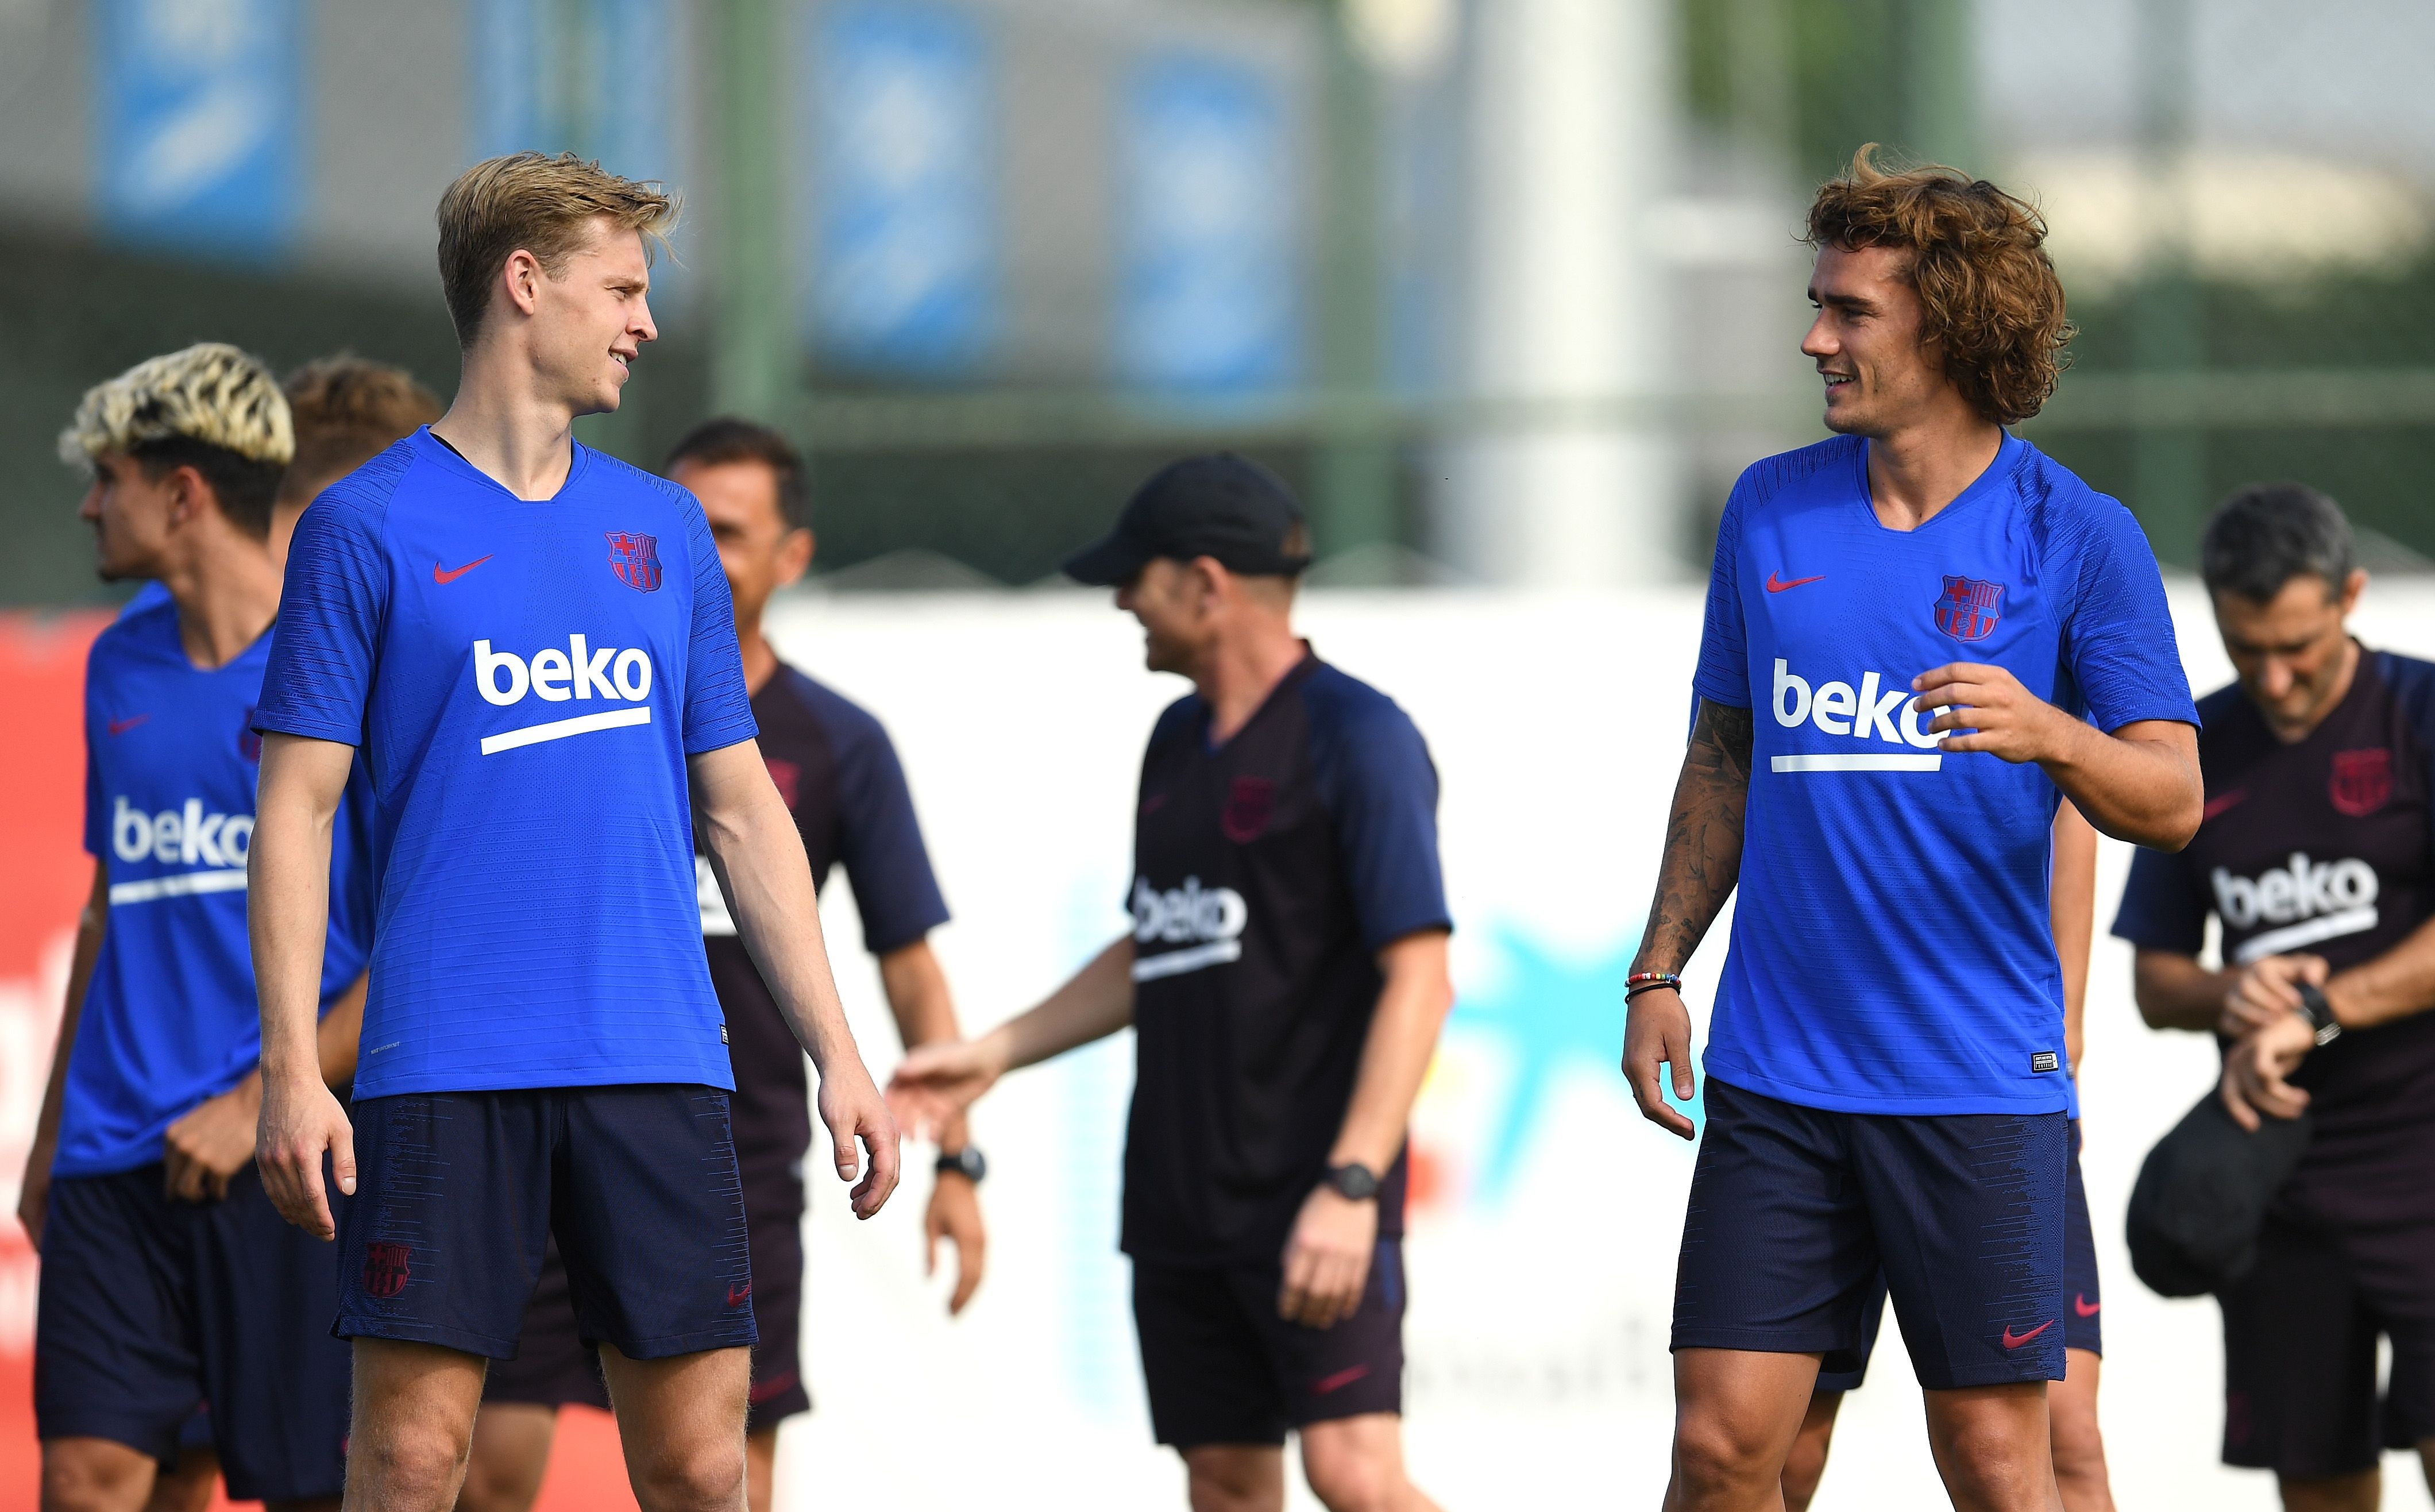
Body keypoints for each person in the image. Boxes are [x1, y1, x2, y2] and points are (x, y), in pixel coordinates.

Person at [246, 151, 900, 1512]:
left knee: (701, 1466)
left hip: (656, 1059)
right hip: (443, 1068)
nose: (645, 323)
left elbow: (741, 809)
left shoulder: (664, 530)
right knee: (410, 1461)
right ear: (524, 284)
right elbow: (294, 809)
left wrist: (837, 1049)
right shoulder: (362, 527)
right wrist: (293, 1068)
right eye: (623, 289)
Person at [1619, 146, 2203, 1512]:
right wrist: (1657, 972)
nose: (1814, 338)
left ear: (1948, 328)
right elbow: (1721, 756)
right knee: (1722, 1449)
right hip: (1777, 1076)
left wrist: (2053, 733)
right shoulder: (1768, 506)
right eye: (1816, 305)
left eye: (1849, 311)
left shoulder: (2077, 534)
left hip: (1972, 1083)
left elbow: (2172, 800)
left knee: (1999, 1462)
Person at [890, 454, 1454, 1512]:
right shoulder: (1175, 741)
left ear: (1205, 583)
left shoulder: (1358, 735)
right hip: (1179, 1199)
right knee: (1224, 1483)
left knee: (1355, 1477)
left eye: (1134, 576)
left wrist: (1349, 1186)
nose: (1119, 600)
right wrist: (994, 1053)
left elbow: (1420, 980)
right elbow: (1160, 941)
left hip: (1312, 1194)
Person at [457, 418, 986, 1512]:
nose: (694, 547)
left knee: (721, 1475)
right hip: (545, 1122)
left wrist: (958, 1159)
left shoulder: (835, 741)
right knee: (483, 1468)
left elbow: (910, 965)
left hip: (730, 1157)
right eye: (680, 518)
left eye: (728, 531)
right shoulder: (575, 694)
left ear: (793, 556)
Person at [21, 343, 377, 1512]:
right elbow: (109, 902)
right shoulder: (116, 659)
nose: (88, 504)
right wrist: (50, 1137)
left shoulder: (347, 657)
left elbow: (424, 937)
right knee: (85, 1478)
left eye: (107, 478)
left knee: (309, 1488)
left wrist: (263, 1097)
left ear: (182, 493)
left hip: (289, 1155)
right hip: (111, 1157)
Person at [2112, 483, 2435, 1512]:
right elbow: (2155, 982)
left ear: (2349, 595)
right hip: (2280, 1184)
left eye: (2296, 646)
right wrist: (2230, 991)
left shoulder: (2419, 712)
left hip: (2422, 1166)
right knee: (2317, 1485)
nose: (2274, 676)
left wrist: (2318, 1012)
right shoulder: (2195, 748)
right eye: (2245, 649)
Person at [1782, 802, 2116, 1512]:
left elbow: (2073, 809)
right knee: (1782, 1452)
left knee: (2064, 1439)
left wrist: (2066, 1038)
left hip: (1993, 1095)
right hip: (1826, 1082)